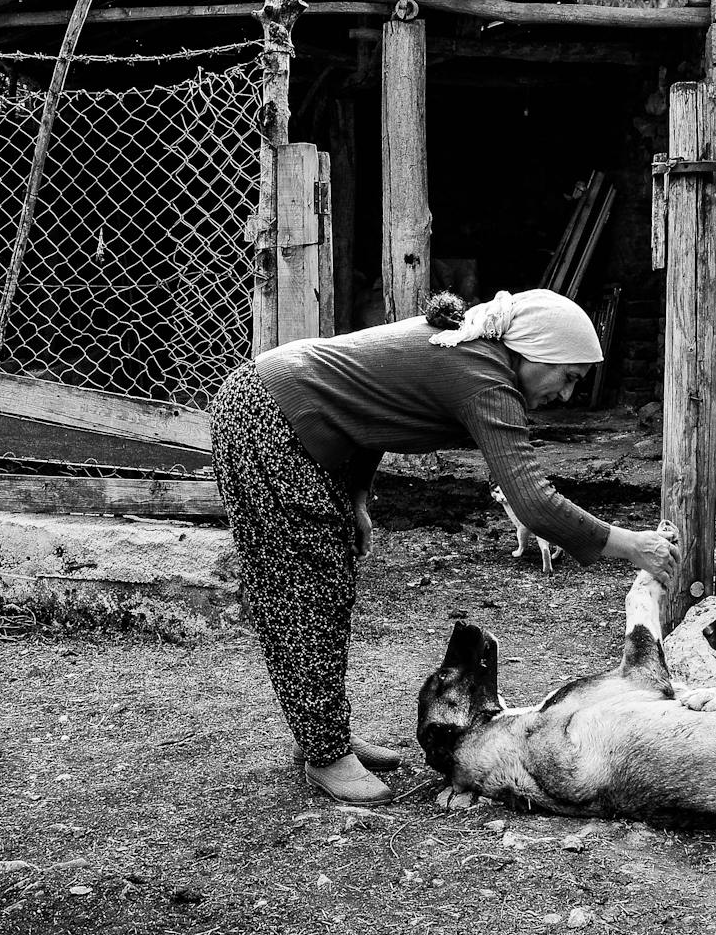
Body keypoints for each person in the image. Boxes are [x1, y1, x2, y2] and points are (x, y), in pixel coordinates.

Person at [209, 288, 679, 806]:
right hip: (268, 420)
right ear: (532, 351)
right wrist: (630, 544)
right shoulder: (484, 377)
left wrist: (357, 498)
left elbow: (373, 415)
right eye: (567, 377)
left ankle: (324, 733)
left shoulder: (477, 356)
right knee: (302, 590)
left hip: (284, 414)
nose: (567, 396)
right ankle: (324, 751)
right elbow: (532, 501)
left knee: (325, 586)